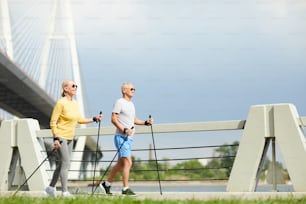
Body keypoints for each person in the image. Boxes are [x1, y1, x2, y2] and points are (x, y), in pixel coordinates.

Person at [45, 80, 102, 197]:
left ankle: (50, 187)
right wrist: (55, 138)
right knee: (66, 163)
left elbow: (79, 119)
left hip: (70, 137)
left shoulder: (75, 103)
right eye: (73, 86)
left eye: (76, 86)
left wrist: (94, 119)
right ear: (65, 89)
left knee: (61, 164)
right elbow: (53, 121)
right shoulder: (61, 103)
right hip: (61, 136)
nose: (75, 87)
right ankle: (65, 191)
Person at [100, 82, 153, 196]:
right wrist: (124, 129)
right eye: (131, 89)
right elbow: (113, 119)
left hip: (129, 138)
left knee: (120, 163)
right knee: (128, 162)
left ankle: (106, 184)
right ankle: (125, 189)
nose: (133, 90)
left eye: (134, 89)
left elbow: (133, 119)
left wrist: (145, 122)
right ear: (124, 90)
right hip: (121, 137)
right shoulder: (119, 102)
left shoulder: (131, 104)